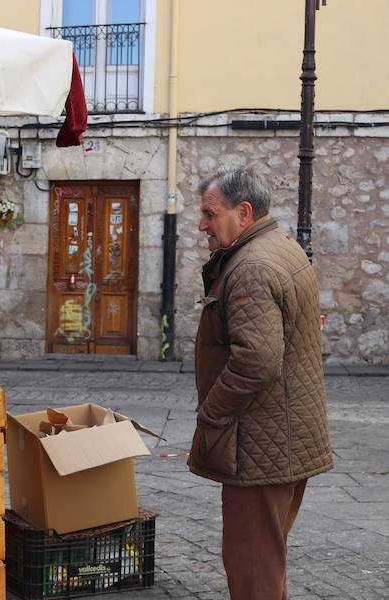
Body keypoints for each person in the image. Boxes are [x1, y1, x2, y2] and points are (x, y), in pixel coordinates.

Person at [188, 166, 333, 600]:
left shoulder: (252, 266)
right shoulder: (278, 248)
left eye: (210, 214)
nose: (202, 225)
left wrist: (212, 413)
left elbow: (257, 359)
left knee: (252, 566)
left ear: (244, 212)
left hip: (261, 444)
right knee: (265, 559)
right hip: (281, 438)